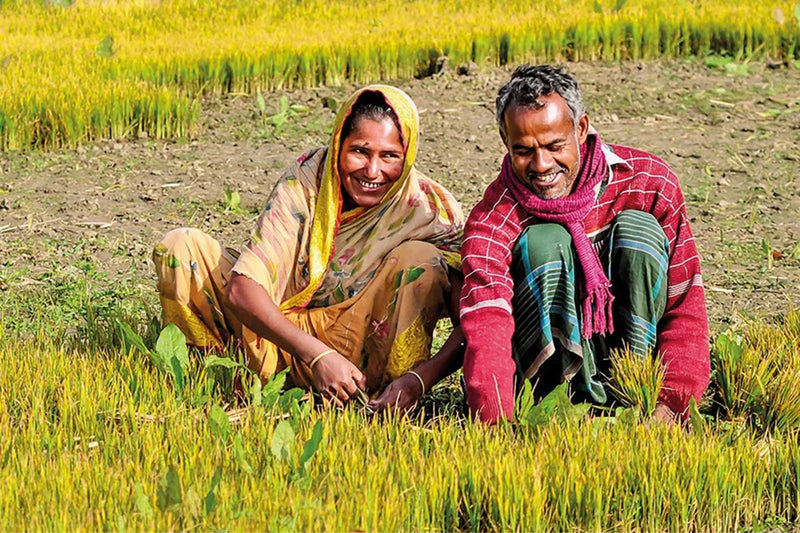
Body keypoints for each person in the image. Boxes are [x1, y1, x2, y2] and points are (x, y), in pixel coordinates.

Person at [152, 85, 465, 413]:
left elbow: (472, 321)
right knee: (181, 248)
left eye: (390, 156)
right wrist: (317, 355)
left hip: (360, 350)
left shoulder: (428, 210)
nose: (373, 171)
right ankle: (224, 379)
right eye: (360, 151)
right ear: (338, 145)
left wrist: (418, 380)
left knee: (422, 261)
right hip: (276, 336)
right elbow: (242, 290)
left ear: (408, 155)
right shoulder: (306, 183)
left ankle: (384, 401)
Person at [459, 65, 710, 424]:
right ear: (505, 140)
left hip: (638, 379)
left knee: (638, 231)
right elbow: (487, 321)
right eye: (523, 151)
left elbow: (684, 302)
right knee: (544, 242)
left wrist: (674, 401)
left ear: (580, 129)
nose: (542, 164)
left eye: (554, 146)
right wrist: (496, 419)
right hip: (549, 393)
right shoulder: (494, 216)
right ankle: (564, 401)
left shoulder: (649, 182)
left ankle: (632, 396)